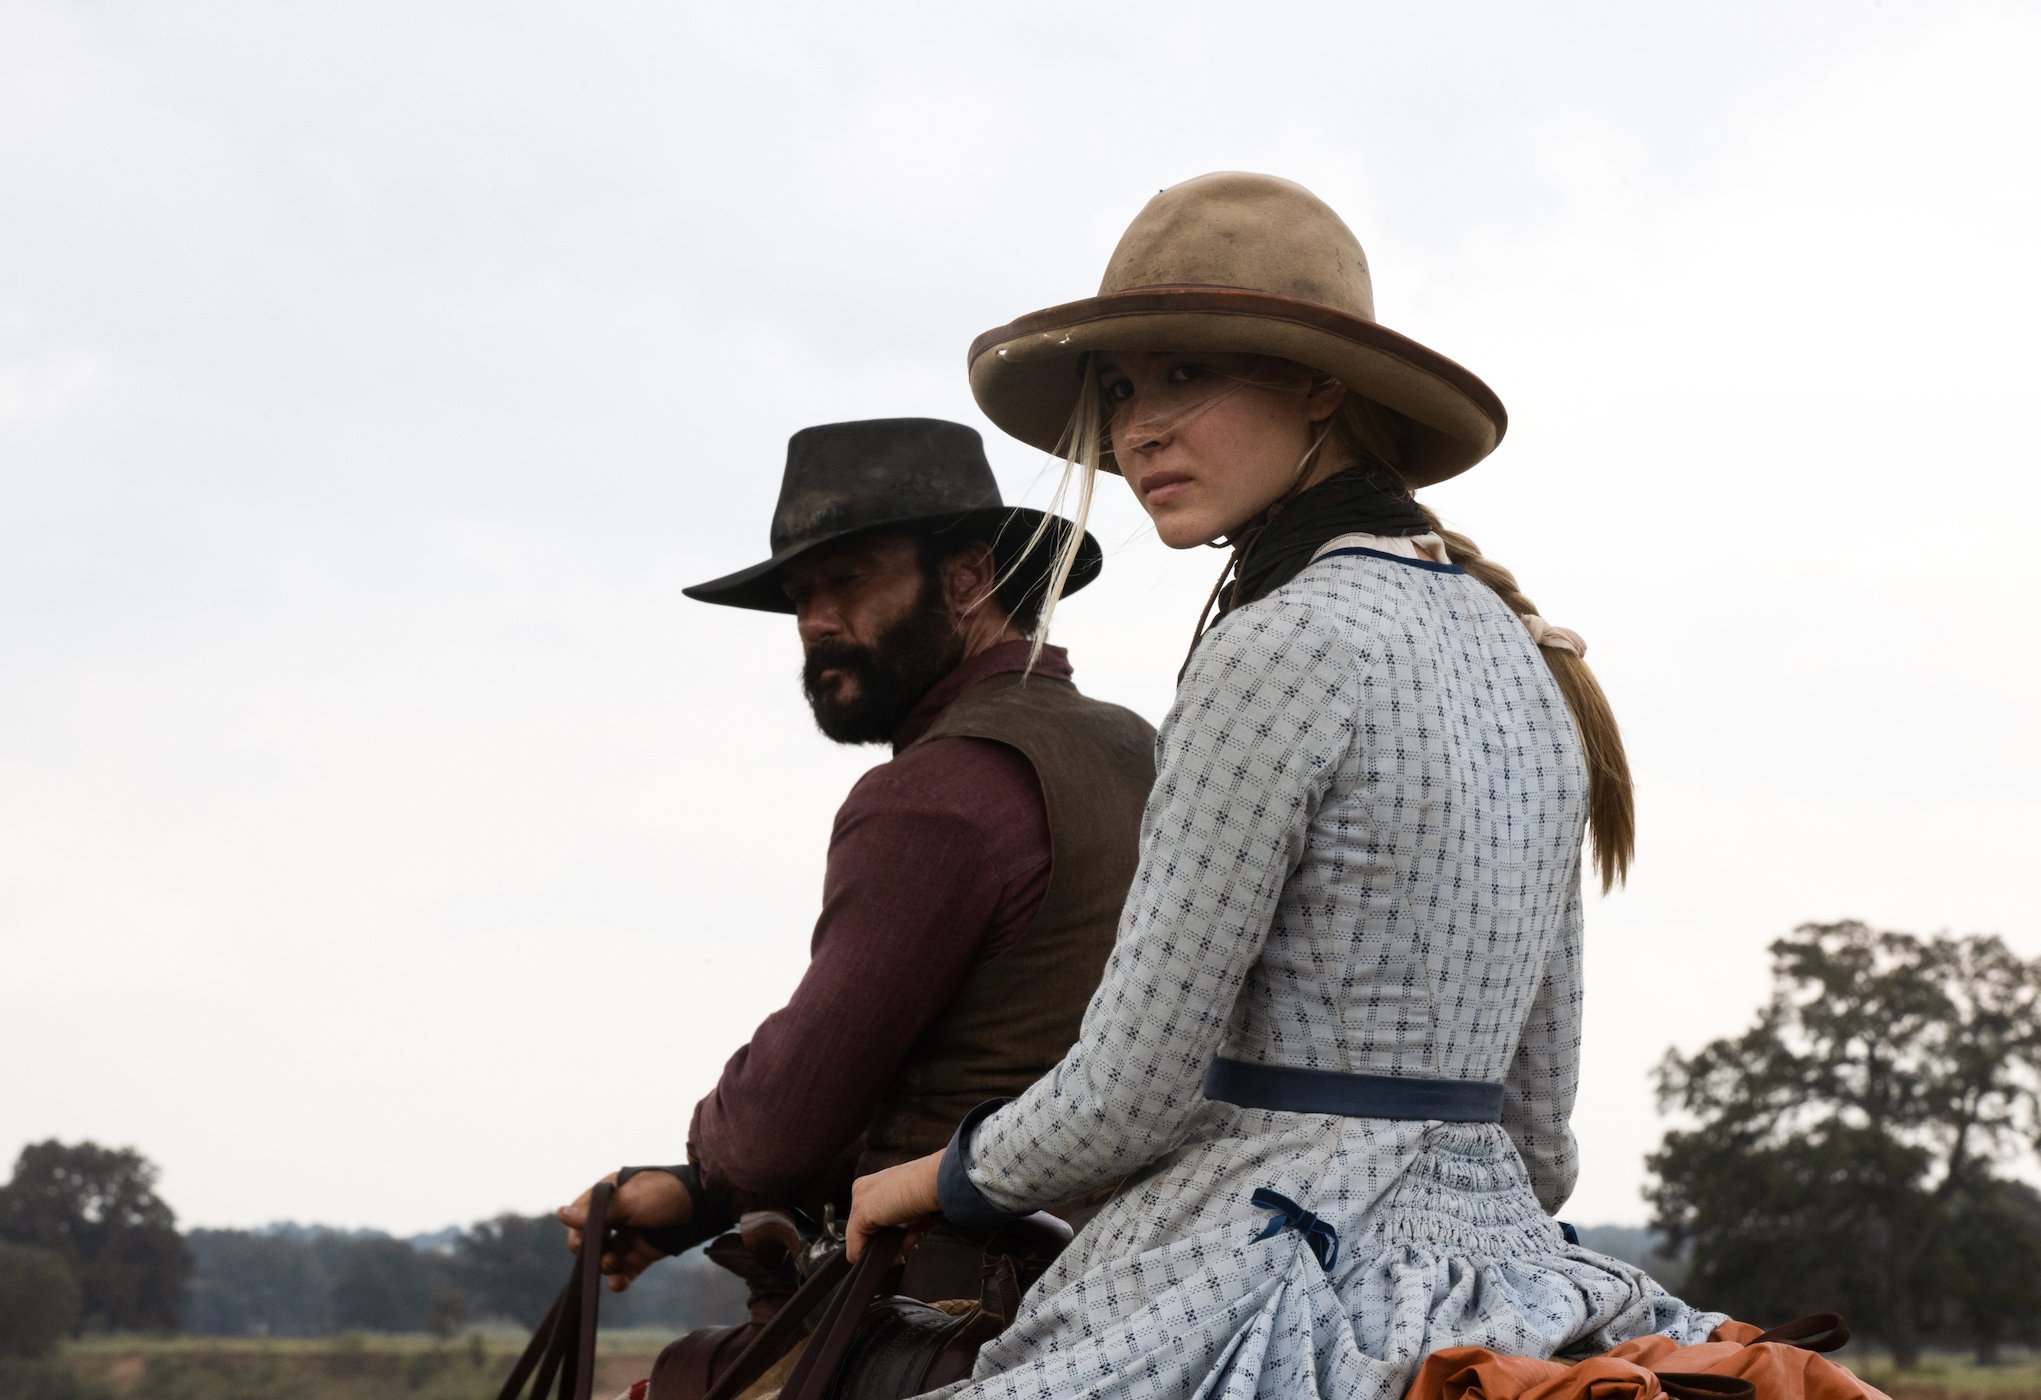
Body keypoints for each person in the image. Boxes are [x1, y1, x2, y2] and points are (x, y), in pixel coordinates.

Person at [844, 175, 1730, 1398]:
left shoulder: (1278, 644)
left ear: (1321, 385)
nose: (1138, 427)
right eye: (1119, 389)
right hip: (1509, 1265)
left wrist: (934, 1176)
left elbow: (1131, 1093)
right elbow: (1538, 1130)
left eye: (1184, 377)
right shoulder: (1526, 652)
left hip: (1273, 1263)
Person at [562, 418, 1157, 1380]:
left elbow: (779, 1125)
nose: (815, 621)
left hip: (970, 1311)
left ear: (966, 578)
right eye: (800, 594)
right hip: (1148, 1281)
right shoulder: (1142, 746)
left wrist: (714, 1163)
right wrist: (696, 1194)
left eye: (849, 581)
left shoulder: (932, 795)